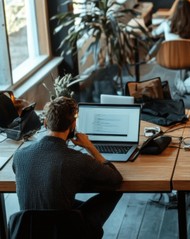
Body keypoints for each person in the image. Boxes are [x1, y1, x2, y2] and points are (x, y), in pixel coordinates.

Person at [12, 97, 123, 238]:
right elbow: (115, 179)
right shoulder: (77, 160)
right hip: (66, 231)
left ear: (45, 123)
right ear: (73, 126)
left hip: (28, 230)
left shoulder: (19, 155)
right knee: (115, 190)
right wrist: (90, 147)